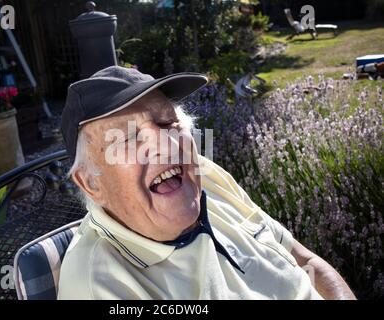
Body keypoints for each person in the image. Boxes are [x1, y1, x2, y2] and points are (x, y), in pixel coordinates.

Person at [57, 66, 356, 300]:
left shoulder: (208, 177)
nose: (165, 142)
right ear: (91, 184)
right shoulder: (101, 285)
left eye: (167, 122)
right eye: (129, 137)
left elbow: (304, 259)